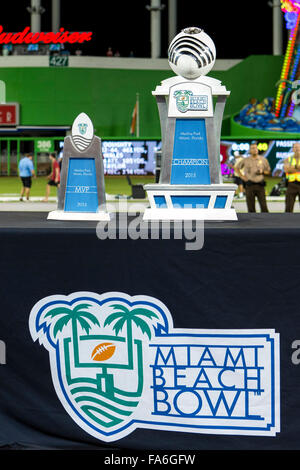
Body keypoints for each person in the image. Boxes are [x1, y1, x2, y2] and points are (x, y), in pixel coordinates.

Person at [236, 141, 271, 213]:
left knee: (264, 206)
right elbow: (236, 168)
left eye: (256, 148)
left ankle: (266, 222)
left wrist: (263, 172)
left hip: (260, 185)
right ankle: (252, 223)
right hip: (249, 185)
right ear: (250, 150)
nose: (255, 149)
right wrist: (242, 177)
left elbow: (268, 171)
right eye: (252, 148)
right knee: (251, 207)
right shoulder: (246, 160)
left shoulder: (263, 160)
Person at [284, 142, 300, 212]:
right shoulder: (288, 159)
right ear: (292, 149)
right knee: (288, 207)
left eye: (298, 147)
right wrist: (297, 167)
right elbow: (286, 169)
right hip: (291, 184)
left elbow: (290, 169)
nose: (297, 149)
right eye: (295, 147)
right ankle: (287, 221)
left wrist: (292, 168)